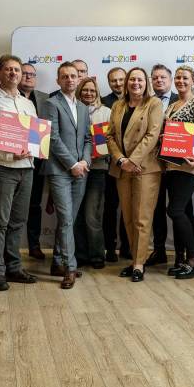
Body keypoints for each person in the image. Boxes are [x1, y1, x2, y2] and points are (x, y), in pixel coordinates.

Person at [0, 55, 40, 291]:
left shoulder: (28, 104)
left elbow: (36, 134)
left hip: (27, 169)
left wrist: (35, 148)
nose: (13, 73)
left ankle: (14, 267)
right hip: (3, 168)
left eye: (17, 70)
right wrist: (8, 154)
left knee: (18, 221)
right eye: (9, 69)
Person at [107, 66, 163, 282]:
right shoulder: (118, 105)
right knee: (128, 217)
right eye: (132, 79)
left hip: (144, 168)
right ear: (127, 83)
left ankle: (139, 264)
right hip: (122, 168)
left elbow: (152, 135)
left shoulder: (153, 103)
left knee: (141, 218)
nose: (135, 83)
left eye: (140, 80)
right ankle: (134, 260)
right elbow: (110, 136)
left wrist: (133, 160)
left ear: (146, 83)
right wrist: (121, 160)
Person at [40, 62, 92, 289]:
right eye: (65, 76)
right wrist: (72, 164)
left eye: (73, 76)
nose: (70, 80)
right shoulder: (51, 103)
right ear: (58, 80)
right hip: (60, 171)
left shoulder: (83, 107)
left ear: (79, 79)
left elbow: (88, 139)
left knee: (69, 219)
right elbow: (52, 138)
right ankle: (70, 268)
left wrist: (85, 161)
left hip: (81, 170)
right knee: (66, 219)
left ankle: (57, 262)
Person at [163, 65, 194, 279]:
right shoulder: (172, 105)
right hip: (171, 165)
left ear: (193, 80)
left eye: (185, 78)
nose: (181, 81)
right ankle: (185, 259)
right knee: (185, 212)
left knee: (174, 210)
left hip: (191, 165)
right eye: (178, 78)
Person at [74, 77, 110, 268]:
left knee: (92, 215)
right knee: (77, 214)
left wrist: (102, 150)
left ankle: (97, 255)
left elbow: (112, 140)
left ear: (97, 93)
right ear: (79, 91)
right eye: (85, 90)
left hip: (97, 169)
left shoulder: (106, 112)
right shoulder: (73, 109)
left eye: (92, 91)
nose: (88, 93)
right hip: (76, 169)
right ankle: (80, 255)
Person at [145, 63, 178, 266]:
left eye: (163, 77)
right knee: (156, 209)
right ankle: (159, 250)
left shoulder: (180, 100)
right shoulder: (146, 102)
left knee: (178, 209)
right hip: (152, 163)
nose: (159, 80)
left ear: (170, 80)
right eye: (155, 77)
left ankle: (181, 254)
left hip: (176, 164)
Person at [19, 61, 49, 261]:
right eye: (25, 73)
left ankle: (34, 244)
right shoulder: (11, 97)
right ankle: (11, 249)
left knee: (35, 204)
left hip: (38, 160)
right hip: (15, 158)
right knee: (14, 206)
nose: (29, 77)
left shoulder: (45, 99)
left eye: (32, 74)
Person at [102, 66, 131, 260]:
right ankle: (110, 247)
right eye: (114, 80)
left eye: (121, 79)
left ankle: (127, 247)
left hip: (131, 163)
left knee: (128, 207)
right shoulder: (103, 102)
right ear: (109, 82)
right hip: (109, 164)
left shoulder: (137, 100)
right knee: (110, 207)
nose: (118, 83)